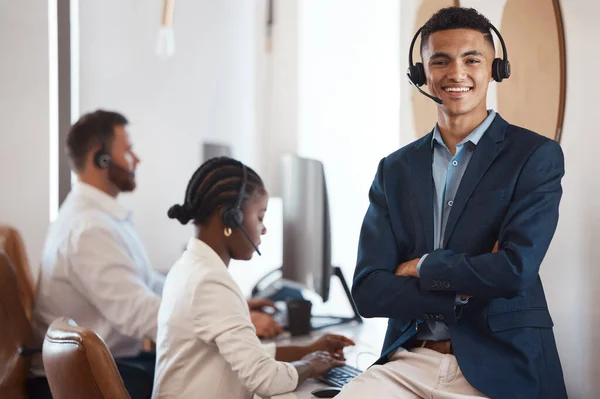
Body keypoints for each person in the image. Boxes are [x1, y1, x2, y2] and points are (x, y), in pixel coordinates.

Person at [338, 7, 567, 399]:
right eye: (440, 61)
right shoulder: (394, 170)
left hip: (500, 365)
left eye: (471, 59)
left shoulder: (534, 156)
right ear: (421, 73)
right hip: (410, 360)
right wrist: (467, 284)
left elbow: (514, 271)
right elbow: (368, 290)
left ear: (495, 68)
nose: (456, 73)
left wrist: (422, 266)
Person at [27, 110, 283, 399]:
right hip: (83, 381)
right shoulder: (88, 229)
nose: (137, 159)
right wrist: (229, 319)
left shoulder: (100, 217)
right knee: (219, 377)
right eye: (129, 150)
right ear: (101, 158)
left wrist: (227, 308)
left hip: (112, 363)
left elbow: (149, 284)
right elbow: (138, 314)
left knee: (219, 370)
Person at [153, 157, 355, 399]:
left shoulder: (190, 266)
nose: (264, 228)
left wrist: (307, 350)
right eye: (260, 217)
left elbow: (246, 354)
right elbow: (266, 379)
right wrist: (311, 365)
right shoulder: (210, 281)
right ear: (230, 218)